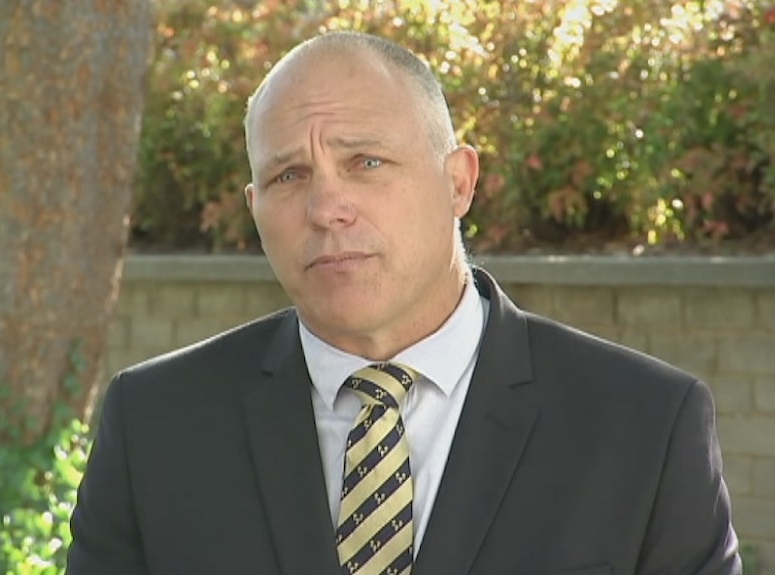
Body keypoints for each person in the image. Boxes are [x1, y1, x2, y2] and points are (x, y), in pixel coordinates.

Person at [67, 31, 741, 575]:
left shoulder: (645, 423)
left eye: (366, 162)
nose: (327, 207)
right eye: (288, 174)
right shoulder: (156, 424)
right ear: (255, 208)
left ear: (458, 182)